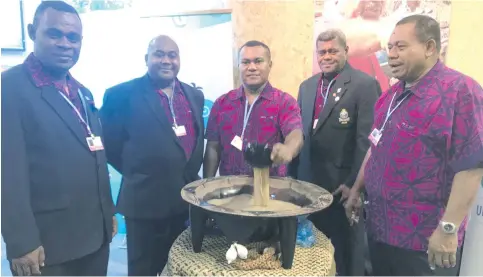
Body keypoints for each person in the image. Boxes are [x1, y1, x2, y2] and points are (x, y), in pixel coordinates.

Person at [344, 14, 483, 276]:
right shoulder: (389, 97)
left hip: (425, 242)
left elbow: (472, 164)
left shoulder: (460, 91)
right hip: (380, 232)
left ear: (430, 48)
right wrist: (356, 189)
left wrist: (448, 228)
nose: (392, 54)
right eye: (390, 47)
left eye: (401, 47)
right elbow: (375, 147)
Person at [1, 1, 115, 276]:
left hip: (94, 236)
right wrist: (21, 242)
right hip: (48, 247)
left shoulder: (81, 93)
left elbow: (95, 155)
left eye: (73, 37)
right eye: (54, 34)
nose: (66, 44)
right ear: (32, 32)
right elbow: (7, 172)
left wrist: (107, 211)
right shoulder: (10, 89)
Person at [99, 35, 205, 276]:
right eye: (159, 54)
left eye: (172, 55)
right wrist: (140, 171)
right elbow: (110, 145)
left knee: (183, 268)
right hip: (145, 202)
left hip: (186, 202)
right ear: (147, 59)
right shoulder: (121, 95)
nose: (166, 60)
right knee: (144, 270)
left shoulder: (193, 95)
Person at [289, 29, 381, 276]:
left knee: (344, 255)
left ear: (345, 52)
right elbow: (299, 134)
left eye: (333, 51)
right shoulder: (307, 87)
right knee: (309, 253)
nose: (326, 56)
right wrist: (292, 178)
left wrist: (355, 185)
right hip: (307, 188)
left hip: (341, 190)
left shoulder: (365, 85)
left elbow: (367, 143)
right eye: (322, 52)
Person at [203, 40, 303, 178]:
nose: (252, 67)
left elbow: (295, 133)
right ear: (238, 66)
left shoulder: (284, 102)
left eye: (258, 61)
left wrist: (289, 149)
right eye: (245, 62)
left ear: (270, 65)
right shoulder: (222, 103)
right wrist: (208, 185)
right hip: (229, 191)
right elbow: (213, 147)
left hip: (270, 190)